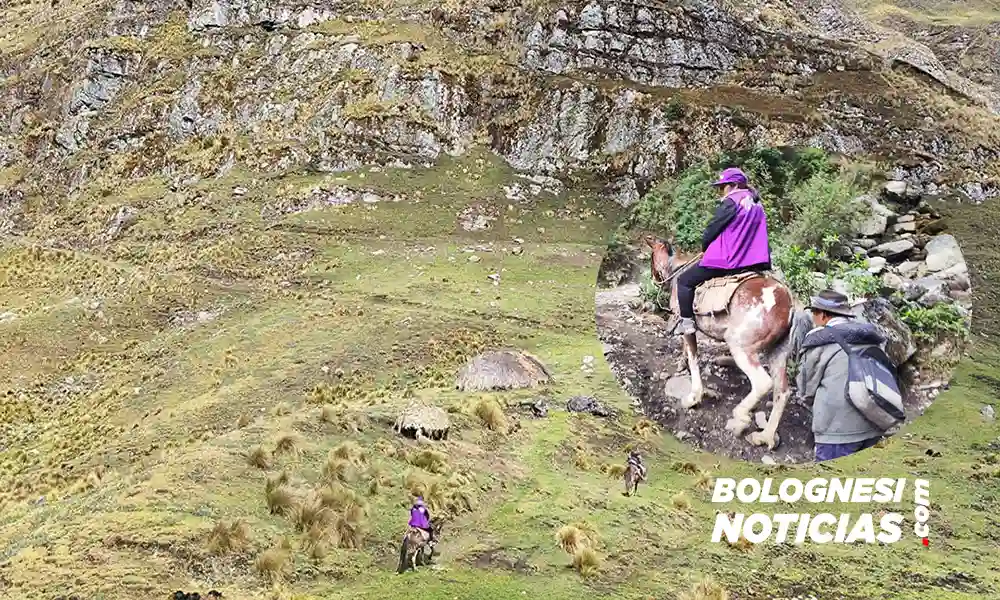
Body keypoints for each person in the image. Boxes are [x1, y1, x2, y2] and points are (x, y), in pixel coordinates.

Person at [673, 167, 772, 335]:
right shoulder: (756, 203)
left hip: (729, 259)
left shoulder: (731, 201)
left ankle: (687, 322)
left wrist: (705, 246)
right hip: (754, 261)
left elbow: (712, 228)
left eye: (722, 187)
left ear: (733, 185)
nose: (720, 191)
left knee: (684, 281)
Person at [797, 290, 887, 462]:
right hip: (874, 421)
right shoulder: (870, 335)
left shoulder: (817, 340)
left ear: (823, 315)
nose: (813, 317)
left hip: (837, 430)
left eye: (814, 312)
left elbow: (805, 388)